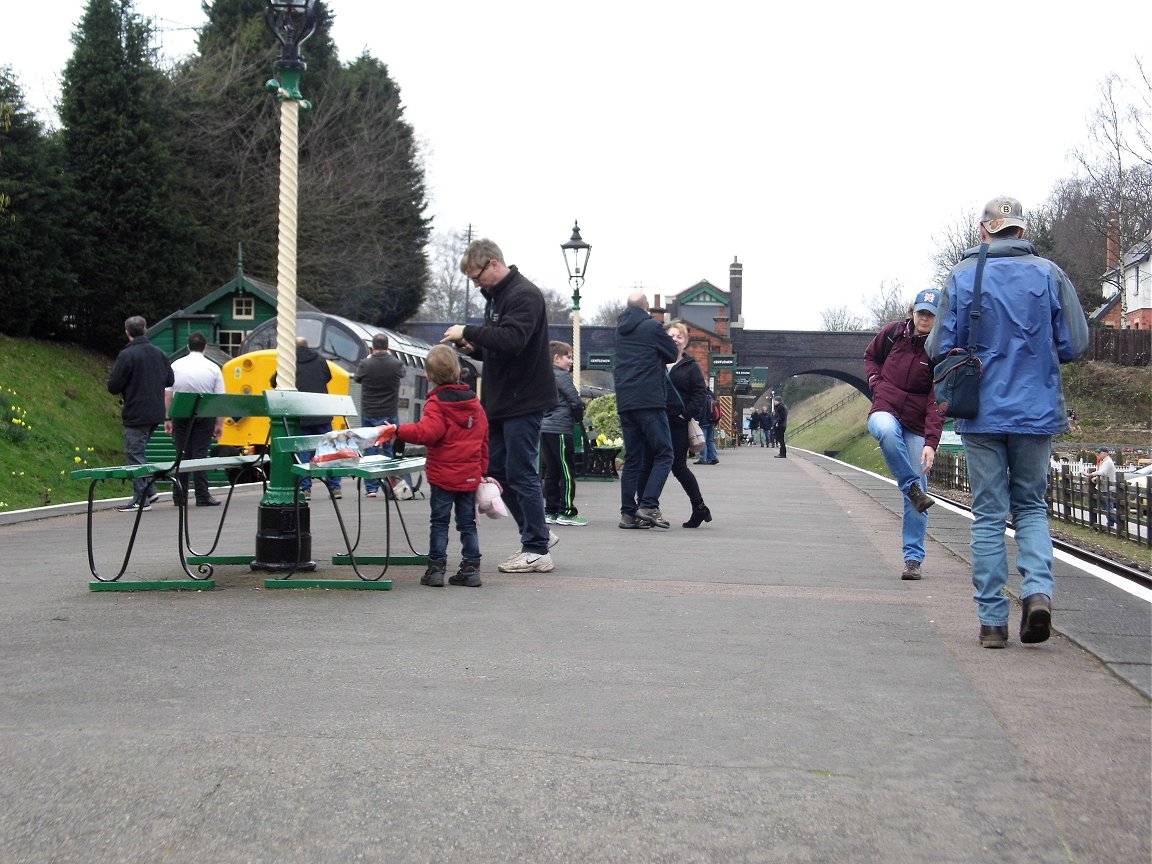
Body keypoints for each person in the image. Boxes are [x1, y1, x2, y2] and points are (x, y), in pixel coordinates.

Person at [927, 195, 1088, 649]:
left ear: (984, 232)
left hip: (981, 412)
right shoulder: (1050, 274)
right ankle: (1037, 594)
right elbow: (1074, 342)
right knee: (1032, 507)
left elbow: (937, 346)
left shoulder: (962, 276)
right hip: (1036, 412)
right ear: (1021, 230)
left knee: (989, 514)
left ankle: (992, 622)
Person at [444, 238, 556, 573]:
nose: (476, 283)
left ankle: (536, 549)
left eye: (477, 276)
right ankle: (538, 534)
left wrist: (470, 330)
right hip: (504, 400)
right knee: (498, 472)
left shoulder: (523, 295)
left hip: (523, 399)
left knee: (522, 473)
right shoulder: (499, 298)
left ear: (493, 264)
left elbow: (513, 340)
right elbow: (501, 346)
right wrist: (472, 346)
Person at [864, 289, 945, 580]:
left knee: (920, 489)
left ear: (939, 318)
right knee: (884, 430)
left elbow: (938, 401)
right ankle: (910, 487)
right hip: (885, 408)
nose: (925, 318)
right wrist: (875, 381)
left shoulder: (941, 351)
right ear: (912, 312)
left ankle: (913, 559)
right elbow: (871, 356)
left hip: (916, 423)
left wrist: (931, 443)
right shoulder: (892, 334)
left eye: (931, 314)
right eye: (921, 312)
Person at [391, 345, 488, 588]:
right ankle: (471, 569)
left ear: (430, 375)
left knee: (440, 522)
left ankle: (435, 570)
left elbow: (428, 433)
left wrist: (399, 431)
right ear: (457, 371)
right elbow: (484, 440)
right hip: (468, 476)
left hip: (443, 476)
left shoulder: (437, 404)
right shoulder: (474, 404)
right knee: (467, 523)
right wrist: (482, 471)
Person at [613, 292, 679, 529]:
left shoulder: (620, 330)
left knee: (632, 458)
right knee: (665, 454)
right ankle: (648, 504)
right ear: (647, 308)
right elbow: (672, 353)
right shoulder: (652, 327)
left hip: (626, 401)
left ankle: (628, 514)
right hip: (649, 399)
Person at [107, 316, 174, 512]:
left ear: (127, 333)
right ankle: (150, 491)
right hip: (155, 412)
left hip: (136, 411)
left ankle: (141, 499)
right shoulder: (159, 353)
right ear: (146, 330)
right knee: (139, 451)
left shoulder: (127, 355)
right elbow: (170, 379)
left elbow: (114, 386)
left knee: (134, 453)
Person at [272, 338, 342, 500]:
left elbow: (274, 381)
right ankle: (335, 487)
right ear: (307, 346)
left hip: (302, 415)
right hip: (322, 414)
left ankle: (305, 488)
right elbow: (328, 376)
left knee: (303, 452)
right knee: (329, 451)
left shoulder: (289, 362)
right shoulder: (319, 359)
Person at [165, 332, 225, 507]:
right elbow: (220, 399)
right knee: (200, 454)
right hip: (204, 413)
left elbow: (168, 395)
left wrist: (168, 418)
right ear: (205, 347)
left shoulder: (175, 365)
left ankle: (179, 495)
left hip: (181, 414)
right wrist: (219, 424)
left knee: (182, 453)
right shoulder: (213, 368)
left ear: (188, 347)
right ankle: (202, 495)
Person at [663, 321, 713, 528]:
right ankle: (646, 507)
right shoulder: (656, 362)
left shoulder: (691, 366)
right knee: (649, 464)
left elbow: (700, 393)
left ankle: (699, 507)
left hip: (677, 424)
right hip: (656, 421)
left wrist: (685, 415)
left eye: (679, 336)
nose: (675, 339)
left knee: (678, 466)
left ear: (685, 342)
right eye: (671, 336)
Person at [353, 332, 406, 498]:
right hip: (389, 413)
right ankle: (393, 485)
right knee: (390, 448)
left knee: (370, 448)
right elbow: (402, 373)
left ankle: (372, 488)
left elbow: (357, 379)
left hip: (370, 411)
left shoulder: (365, 364)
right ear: (387, 347)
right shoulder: (396, 364)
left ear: (372, 347)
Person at [541, 341, 587, 527]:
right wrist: (578, 417)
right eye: (568, 357)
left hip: (545, 428)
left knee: (551, 471)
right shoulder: (562, 376)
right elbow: (575, 401)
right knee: (567, 471)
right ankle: (567, 511)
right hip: (560, 428)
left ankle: (551, 510)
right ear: (556, 358)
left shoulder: (543, 376)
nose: (571, 361)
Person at [1086, 446, 1117, 528]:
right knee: (1106, 506)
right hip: (1104, 486)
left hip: (1107, 487)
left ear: (1105, 453)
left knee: (1108, 507)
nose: (1098, 455)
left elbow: (1103, 472)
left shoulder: (1107, 462)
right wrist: (1096, 478)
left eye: (1099, 453)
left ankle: (1120, 522)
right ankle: (1111, 522)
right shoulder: (1105, 461)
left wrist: (1091, 474)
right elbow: (1103, 473)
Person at [694, 387, 720, 465]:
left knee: (703, 440)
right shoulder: (711, 395)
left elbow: (700, 410)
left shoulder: (701, 397)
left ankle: (703, 458)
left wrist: (696, 419)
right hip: (711, 421)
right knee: (710, 440)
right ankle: (713, 457)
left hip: (703, 421)